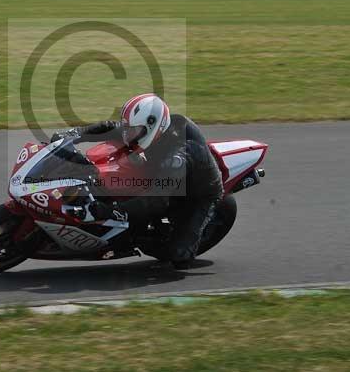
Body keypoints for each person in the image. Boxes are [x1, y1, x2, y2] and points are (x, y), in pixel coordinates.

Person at [50, 93, 223, 269]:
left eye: (132, 131)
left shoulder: (178, 157)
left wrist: (107, 212)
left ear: (152, 127)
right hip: (163, 173)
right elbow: (112, 127)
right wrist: (75, 134)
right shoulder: (148, 130)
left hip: (197, 193)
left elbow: (156, 200)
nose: (127, 135)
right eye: (128, 129)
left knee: (179, 257)